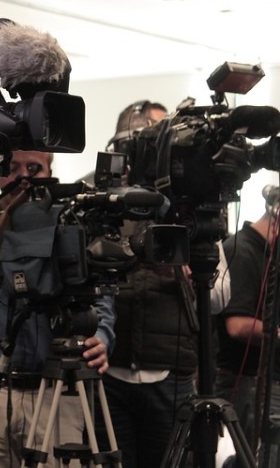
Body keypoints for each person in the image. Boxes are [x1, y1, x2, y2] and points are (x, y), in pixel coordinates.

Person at [0, 150, 114, 468]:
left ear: (49, 174)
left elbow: (102, 299)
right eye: (12, 167)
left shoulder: (71, 231)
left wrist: (101, 337)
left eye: (34, 168)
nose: (22, 178)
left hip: (57, 393)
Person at [93, 100, 200, 468]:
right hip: (110, 374)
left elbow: (220, 297)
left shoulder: (188, 208)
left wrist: (186, 273)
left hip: (169, 375)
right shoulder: (98, 205)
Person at [215, 201, 280, 460]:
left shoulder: (269, 254)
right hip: (245, 383)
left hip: (262, 383)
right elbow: (238, 326)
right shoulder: (241, 251)